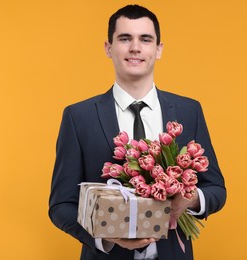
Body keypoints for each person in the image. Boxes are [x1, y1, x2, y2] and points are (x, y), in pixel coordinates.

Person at [49, 4, 226, 260]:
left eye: (145, 39)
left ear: (158, 49)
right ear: (109, 48)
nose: (135, 47)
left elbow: (216, 189)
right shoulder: (79, 117)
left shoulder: (189, 111)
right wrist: (105, 237)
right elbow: (60, 205)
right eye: (124, 38)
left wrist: (189, 200)